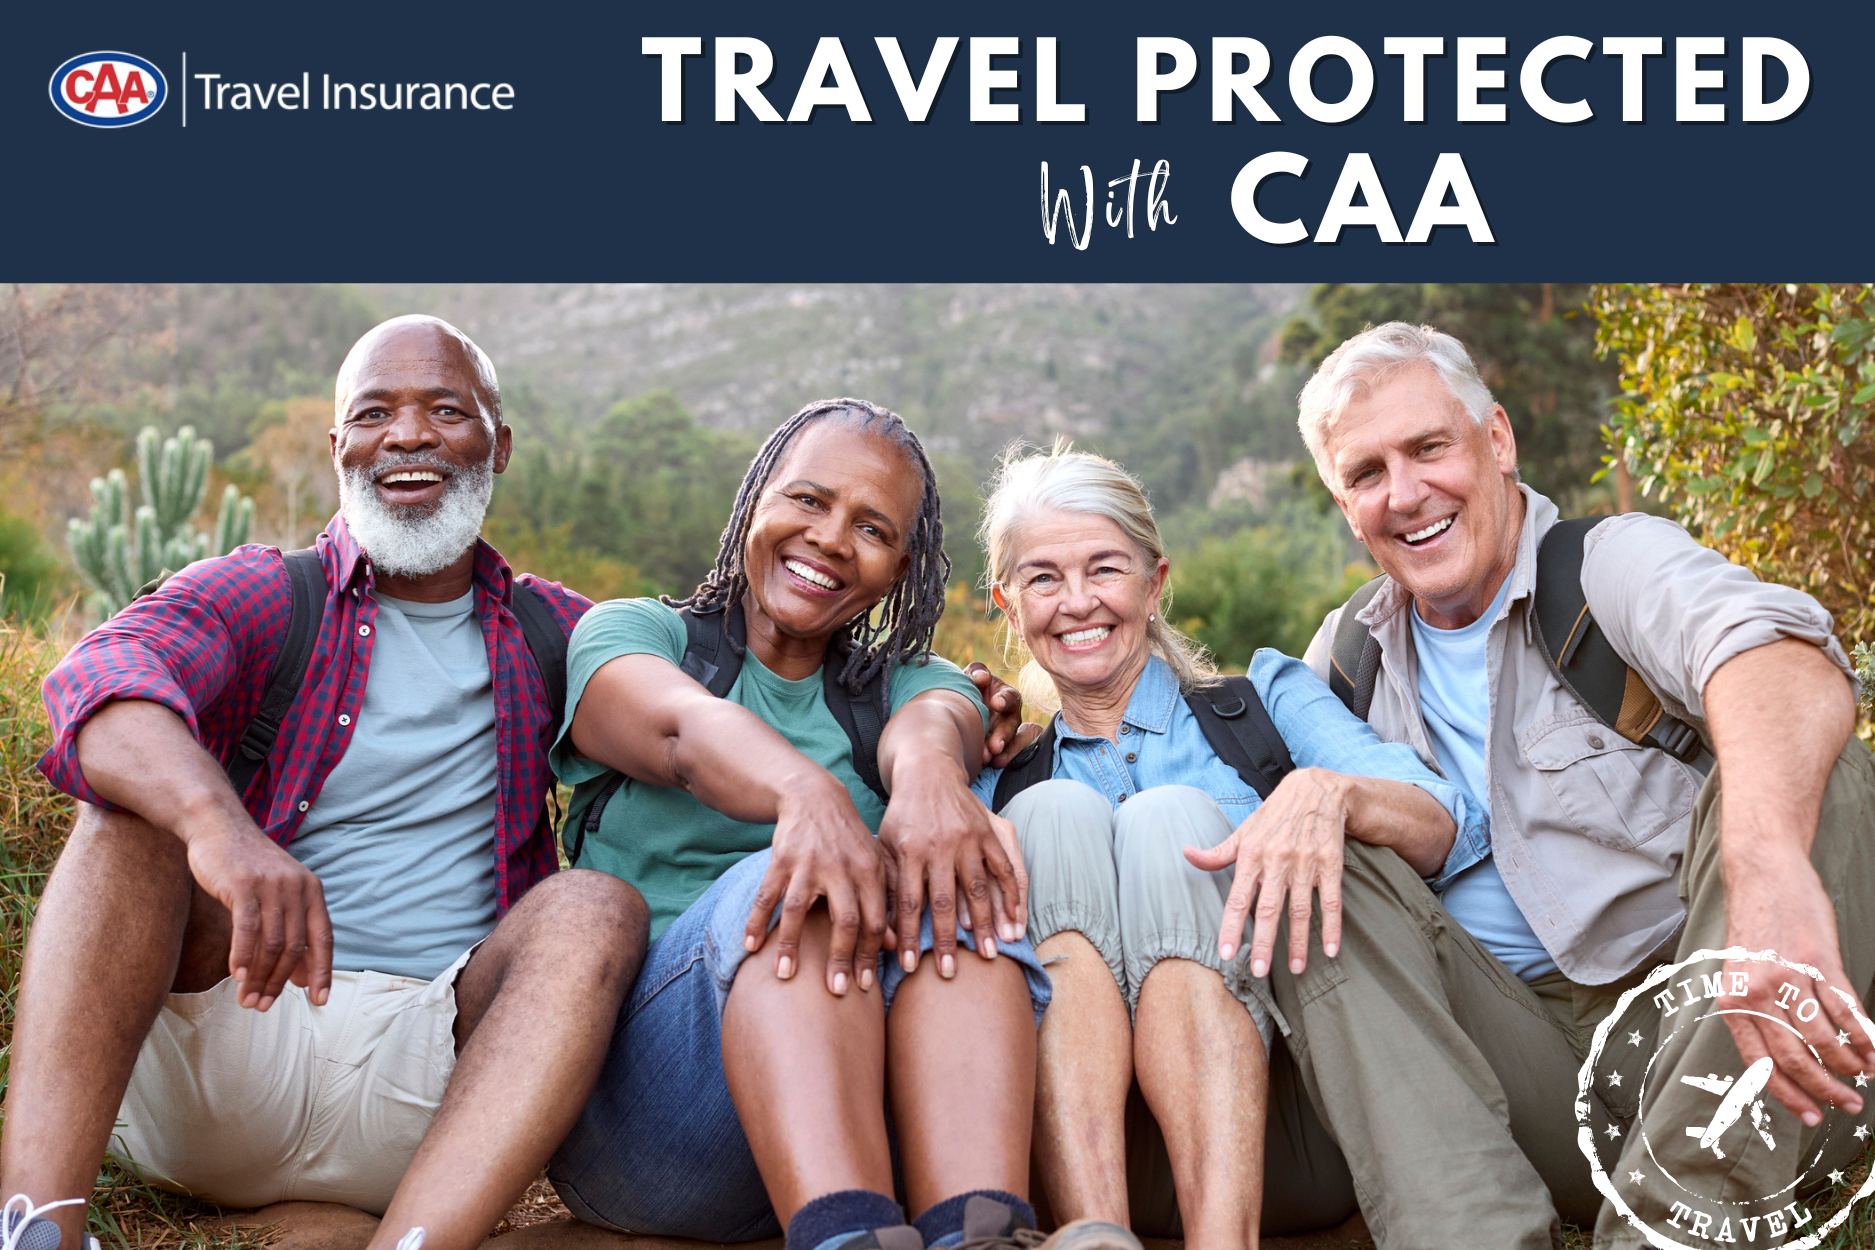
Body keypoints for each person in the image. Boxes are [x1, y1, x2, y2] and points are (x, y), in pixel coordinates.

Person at [1, 316, 651, 1250]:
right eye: (374, 412)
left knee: (593, 908)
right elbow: (100, 682)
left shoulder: (557, 631)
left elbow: (709, 704)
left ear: (498, 445)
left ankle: (416, 1240)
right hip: (228, 1040)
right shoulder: (269, 592)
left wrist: (926, 724)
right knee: (128, 814)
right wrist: (221, 830)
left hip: (436, 1080)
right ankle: (35, 1229)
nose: (409, 435)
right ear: (339, 446)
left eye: (445, 410)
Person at [1283, 321, 1873, 1249]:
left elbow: (1785, 662)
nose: (1405, 494)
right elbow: (1199, 768)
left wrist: (1766, 866)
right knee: (1314, 845)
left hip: (1718, 1041)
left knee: (1822, 767)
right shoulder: (1347, 658)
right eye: (1365, 474)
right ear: (1342, 502)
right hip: (1526, 1073)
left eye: (1428, 448)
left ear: (1497, 439)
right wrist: (978, 728)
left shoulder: (1607, 567)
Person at [543, 399, 1117, 1250]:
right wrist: (807, 798)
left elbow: (935, 724)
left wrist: (929, 783)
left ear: (900, 569)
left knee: (947, 875)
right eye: (807, 500)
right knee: (797, 879)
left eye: (872, 528)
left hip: (853, 1119)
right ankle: (844, 1239)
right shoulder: (637, 636)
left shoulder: (906, 685)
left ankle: (980, 1230)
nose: (830, 539)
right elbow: (680, 733)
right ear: (755, 501)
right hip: (648, 1126)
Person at [969, 445, 1486, 1247]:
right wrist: (945, 730)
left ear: (1155, 581)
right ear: (1007, 605)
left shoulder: (1262, 707)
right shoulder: (998, 779)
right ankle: (1092, 1236)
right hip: (1089, 1151)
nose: (1076, 603)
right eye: (1042, 579)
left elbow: (1446, 826)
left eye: (1104, 569)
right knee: (1053, 815)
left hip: (1286, 1128)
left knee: (1165, 818)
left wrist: (1327, 796)